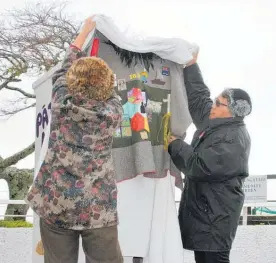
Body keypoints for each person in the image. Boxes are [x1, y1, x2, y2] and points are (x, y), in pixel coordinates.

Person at [26, 17, 123, 263]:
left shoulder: (60, 101)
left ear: (71, 82)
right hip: (98, 208)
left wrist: (83, 33)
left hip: (57, 204)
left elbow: (63, 68)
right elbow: (109, 89)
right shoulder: (113, 112)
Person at [168, 53, 252, 263]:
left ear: (231, 112)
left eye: (218, 103)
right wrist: (191, 65)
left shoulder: (233, 139)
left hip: (216, 218)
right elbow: (198, 99)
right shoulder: (217, 122)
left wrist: (174, 145)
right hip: (207, 214)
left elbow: (200, 166)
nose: (212, 105)